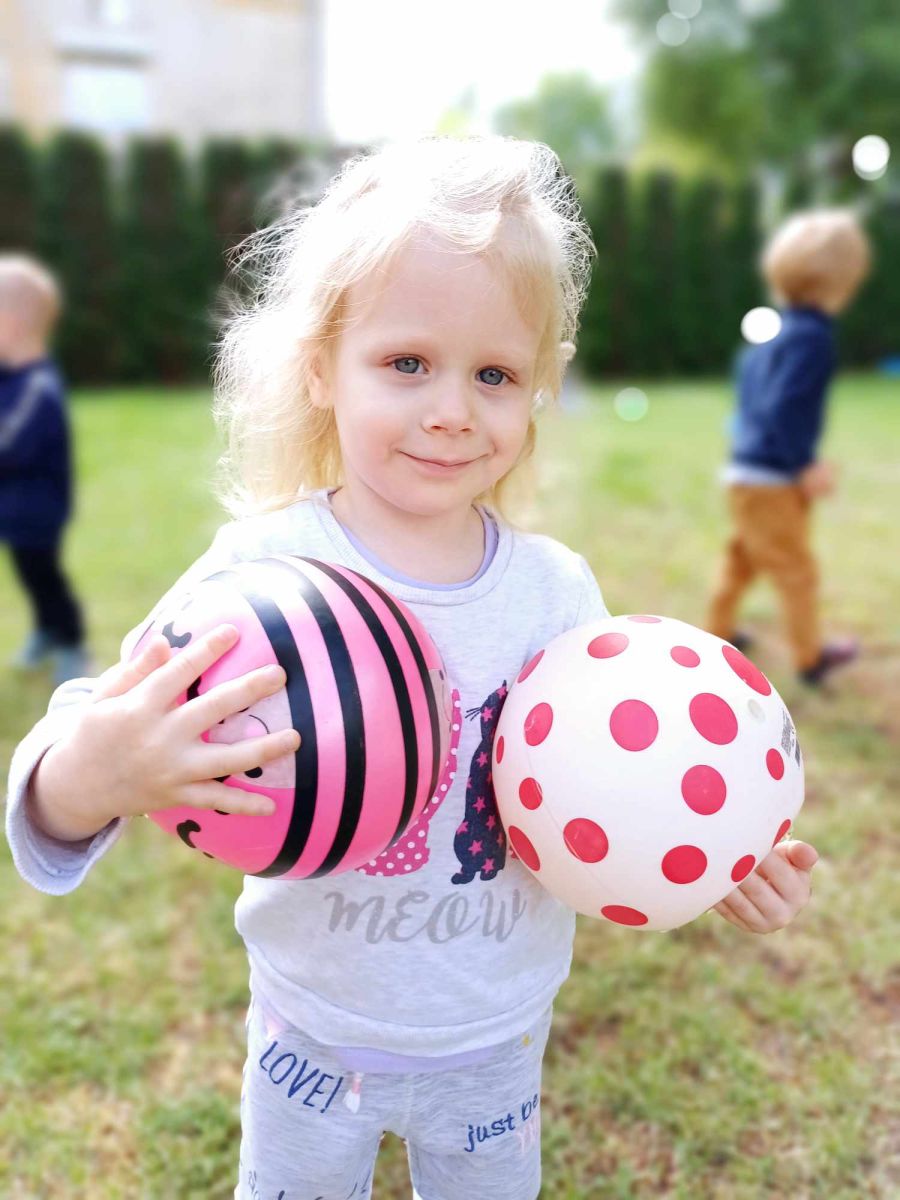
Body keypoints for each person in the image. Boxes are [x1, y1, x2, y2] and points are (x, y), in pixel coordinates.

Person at [6, 138, 819, 1200]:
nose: (451, 410)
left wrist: (716, 853)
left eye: (495, 375)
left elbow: (623, 781)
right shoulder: (263, 575)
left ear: (537, 392)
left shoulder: (554, 592)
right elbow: (82, 736)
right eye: (406, 364)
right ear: (320, 367)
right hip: (310, 1037)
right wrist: (89, 776)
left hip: (495, 1039)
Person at [706, 209, 871, 687]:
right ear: (841, 285)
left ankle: (717, 632)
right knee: (796, 571)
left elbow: (750, 398)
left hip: (744, 473)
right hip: (774, 479)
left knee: (742, 559)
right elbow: (785, 409)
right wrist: (804, 465)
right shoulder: (813, 338)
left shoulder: (771, 334)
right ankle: (809, 658)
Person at [0, 254, 90, 687]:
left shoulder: (38, 387)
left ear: (9, 324)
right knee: (28, 574)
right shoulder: (10, 379)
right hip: (13, 507)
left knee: (44, 575)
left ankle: (71, 642)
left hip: (37, 510)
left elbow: (9, 445)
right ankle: (44, 631)